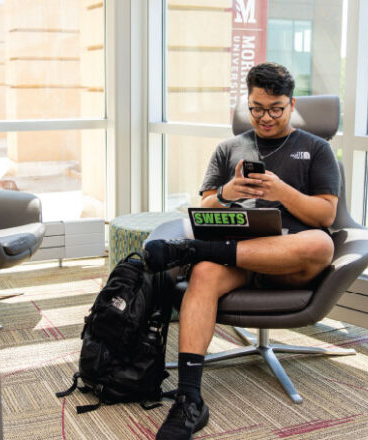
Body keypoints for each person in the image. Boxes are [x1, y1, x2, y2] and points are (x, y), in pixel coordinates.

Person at [145, 62, 342, 440]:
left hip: (291, 260)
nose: (265, 117)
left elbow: (326, 213)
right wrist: (226, 194)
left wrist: (280, 190)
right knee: (203, 272)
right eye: (256, 108)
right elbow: (204, 207)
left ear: (291, 104)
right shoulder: (228, 149)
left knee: (320, 242)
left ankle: (196, 250)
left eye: (275, 109)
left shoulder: (316, 150)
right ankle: (189, 399)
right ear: (246, 103)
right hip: (237, 253)